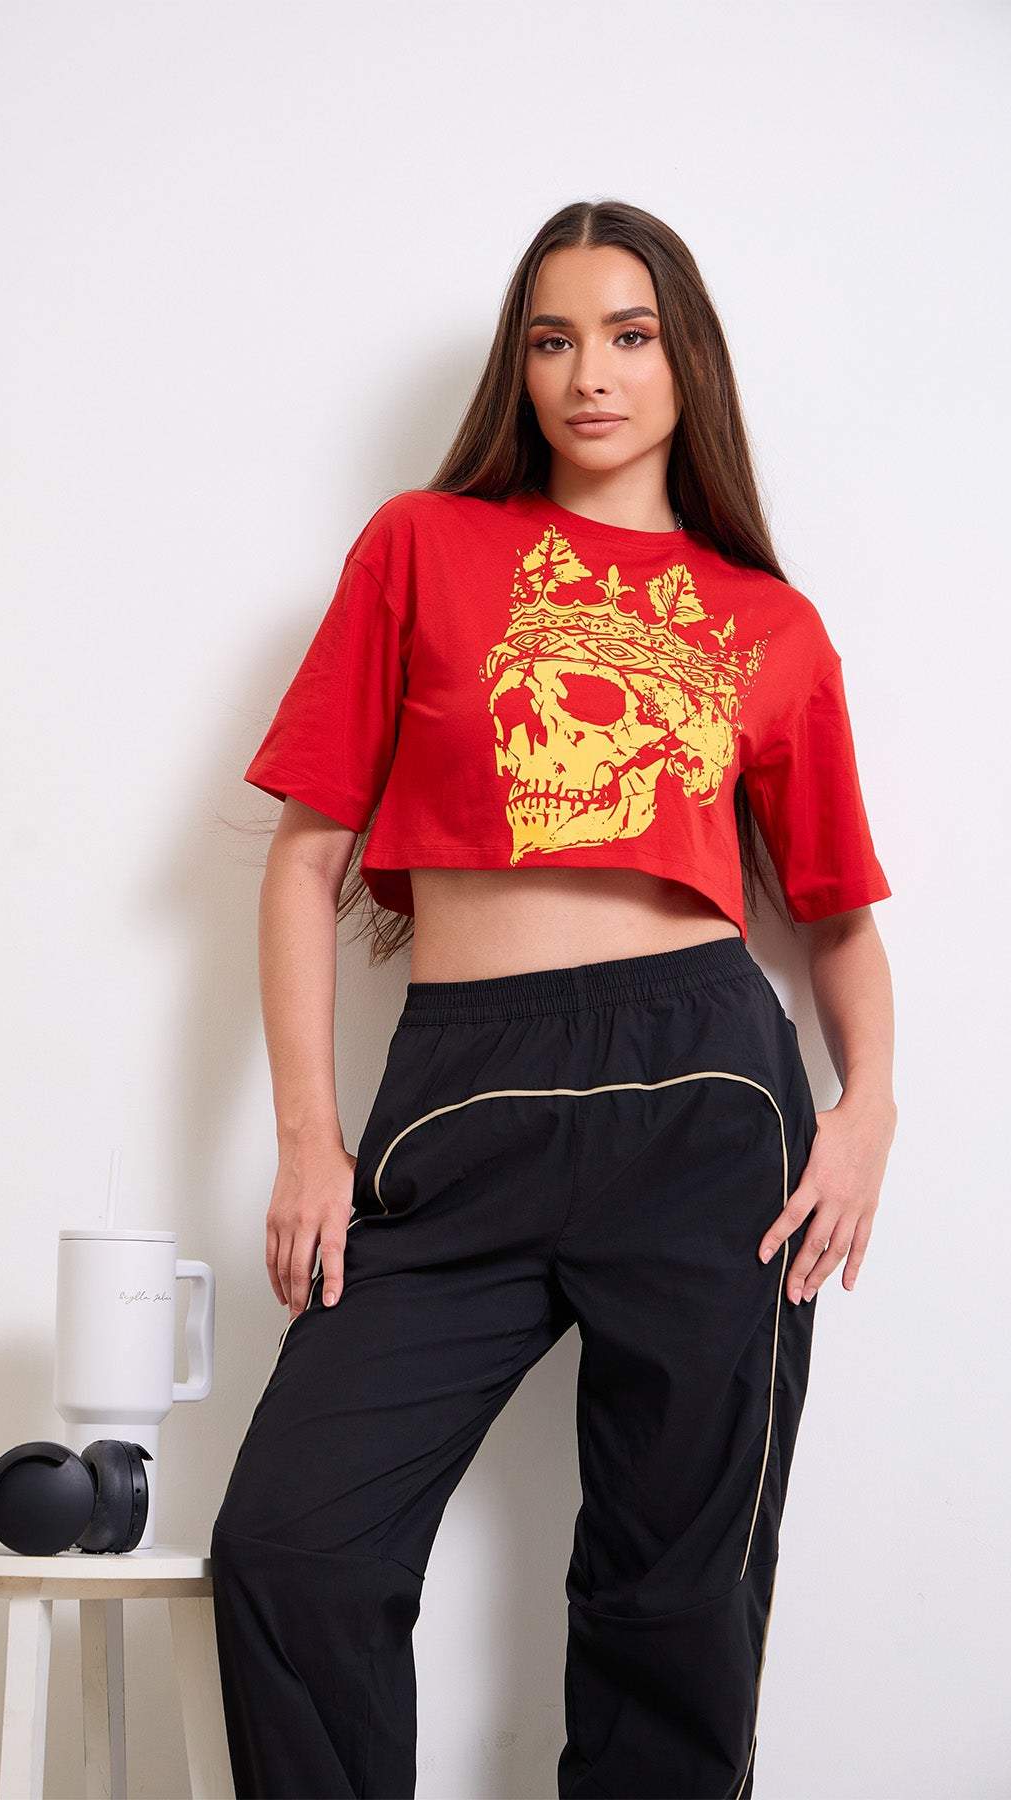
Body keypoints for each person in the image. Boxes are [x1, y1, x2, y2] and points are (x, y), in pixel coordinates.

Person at [209, 198, 897, 1800]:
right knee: (292, 1546)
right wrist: (309, 1138)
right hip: (459, 1102)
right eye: (554, 339)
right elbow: (304, 860)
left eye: (631, 335)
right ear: (518, 369)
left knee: (677, 1602)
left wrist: (868, 1110)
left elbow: (838, 917)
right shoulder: (420, 545)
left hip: (707, 1097)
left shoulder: (770, 624)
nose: (592, 374)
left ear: (685, 360)